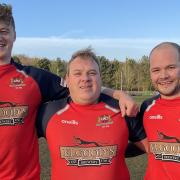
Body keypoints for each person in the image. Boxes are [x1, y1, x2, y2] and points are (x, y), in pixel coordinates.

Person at [0, 3, 139, 180]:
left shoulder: (34, 78)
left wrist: (117, 94)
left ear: (14, 35)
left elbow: (79, 86)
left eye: (4, 31)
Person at [37, 48, 148, 180]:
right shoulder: (47, 113)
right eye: (77, 73)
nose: (85, 79)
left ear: (100, 78)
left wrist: (119, 151)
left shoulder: (122, 110)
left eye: (92, 73)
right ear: (67, 79)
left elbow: (151, 147)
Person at [139, 42, 180, 180]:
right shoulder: (147, 107)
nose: (163, 75)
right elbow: (143, 143)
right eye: (156, 70)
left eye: (171, 67)